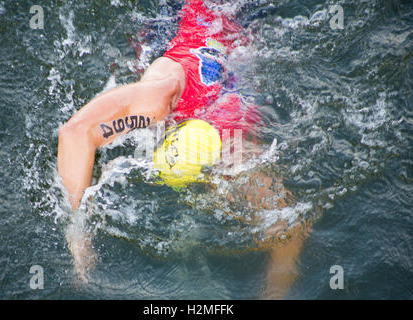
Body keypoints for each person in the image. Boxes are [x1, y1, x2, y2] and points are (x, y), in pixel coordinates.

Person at [57, 0, 310, 299]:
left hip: (241, 26)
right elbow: (75, 133)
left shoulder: (239, 156)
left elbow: (289, 229)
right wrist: (78, 237)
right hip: (182, 22)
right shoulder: (165, 95)